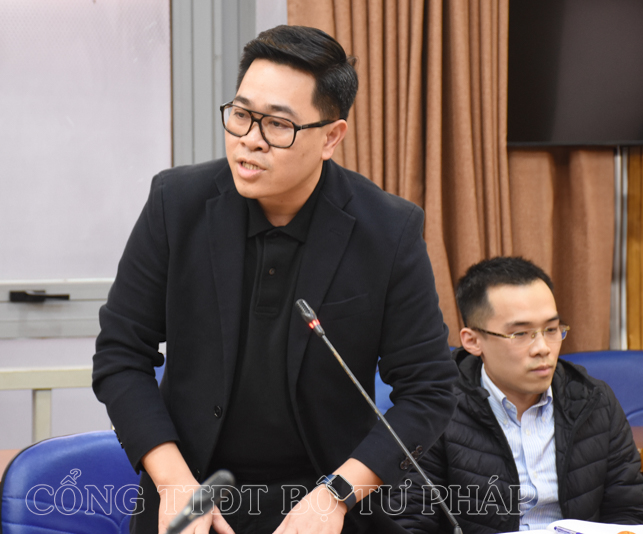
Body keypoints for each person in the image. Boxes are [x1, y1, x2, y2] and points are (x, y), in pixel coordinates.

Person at [92, 25, 458, 534]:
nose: (249, 141)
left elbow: (429, 389)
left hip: (326, 504)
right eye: (241, 115)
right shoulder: (176, 205)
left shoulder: (388, 230)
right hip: (191, 495)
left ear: (331, 137)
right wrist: (173, 481)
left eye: (278, 126)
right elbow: (120, 355)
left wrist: (337, 495)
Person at [390, 256, 643, 534]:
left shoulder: (595, 401)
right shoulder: (434, 409)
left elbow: (628, 515)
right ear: (473, 341)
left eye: (551, 329)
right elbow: (410, 521)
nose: (542, 348)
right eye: (520, 334)